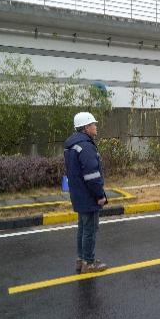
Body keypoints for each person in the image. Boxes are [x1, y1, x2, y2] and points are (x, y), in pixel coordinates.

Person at [64, 112, 108, 274]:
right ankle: (89, 263)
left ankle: (81, 259)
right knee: (90, 229)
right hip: (89, 195)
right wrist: (99, 195)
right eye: (93, 124)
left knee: (82, 228)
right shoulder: (86, 146)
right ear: (86, 127)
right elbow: (92, 175)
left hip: (78, 194)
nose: (96, 127)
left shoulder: (71, 145)